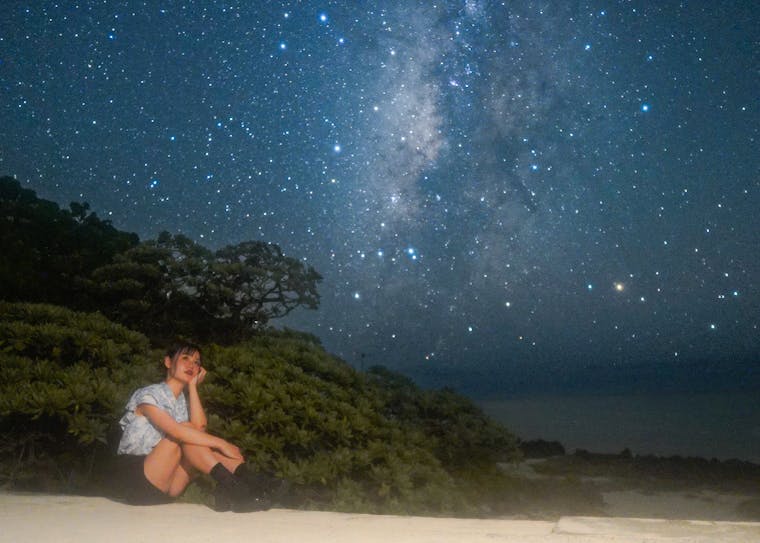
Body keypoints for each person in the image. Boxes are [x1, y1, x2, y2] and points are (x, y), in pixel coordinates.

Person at [115, 342, 274, 511]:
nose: (191, 365)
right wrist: (223, 443)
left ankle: (256, 482)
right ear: (168, 362)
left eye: (196, 362)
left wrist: (192, 387)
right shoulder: (148, 394)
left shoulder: (181, 402)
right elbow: (178, 431)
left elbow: (200, 430)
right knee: (186, 430)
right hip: (137, 480)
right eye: (185, 358)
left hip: (167, 486)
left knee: (201, 440)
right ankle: (238, 490)